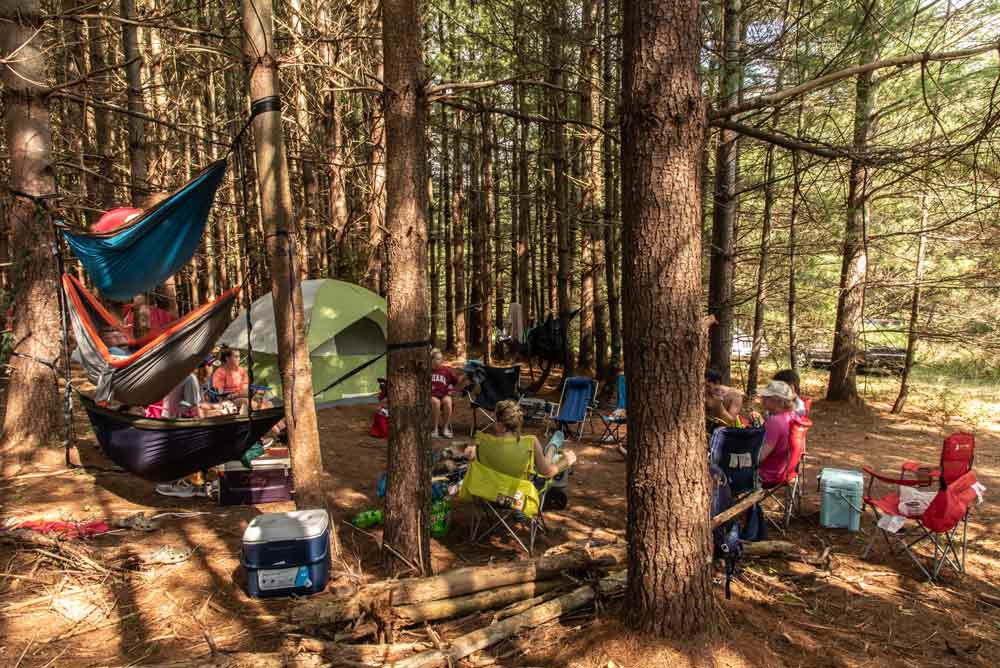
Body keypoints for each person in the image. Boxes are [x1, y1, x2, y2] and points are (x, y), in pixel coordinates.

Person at [464, 400, 577, 478]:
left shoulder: (483, 441)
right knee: (553, 458)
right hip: (517, 494)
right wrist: (566, 462)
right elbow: (546, 472)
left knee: (544, 458)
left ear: (499, 425)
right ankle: (552, 447)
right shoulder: (530, 442)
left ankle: (552, 447)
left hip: (490, 490)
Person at [757, 380, 798, 487]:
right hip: (786, 471)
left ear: (778, 401)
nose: (762, 399)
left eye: (766, 397)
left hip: (768, 474)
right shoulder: (793, 416)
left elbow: (760, 456)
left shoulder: (774, 421)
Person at [430, 348, 466, 438]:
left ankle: (445, 428)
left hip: (444, 394)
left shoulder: (446, 370)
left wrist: (466, 375)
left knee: (448, 401)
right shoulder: (428, 371)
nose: (440, 360)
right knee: (436, 402)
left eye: (441, 358)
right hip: (432, 396)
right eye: (438, 358)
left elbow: (456, 381)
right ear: (432, 360)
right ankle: (435, 430)